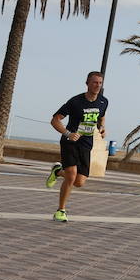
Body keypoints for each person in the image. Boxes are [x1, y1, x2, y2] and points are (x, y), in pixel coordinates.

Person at [44, 71, 108, 222]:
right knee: (72, 175)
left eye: (100, 82)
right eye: (94, 82)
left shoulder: (103, 101)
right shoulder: (75, 102)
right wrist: (68, 133)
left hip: (86, 144)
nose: (97, 85)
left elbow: (102, 115)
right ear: (87, 83)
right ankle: (61, 211)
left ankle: (58, 171)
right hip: (70, 143)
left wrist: (102, 126)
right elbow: (55, 120)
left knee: (79, 182)